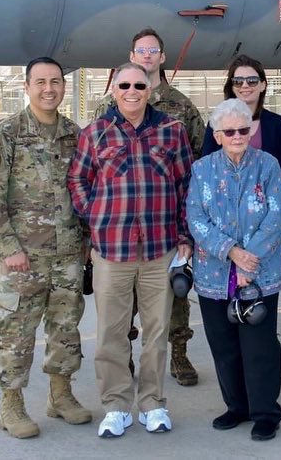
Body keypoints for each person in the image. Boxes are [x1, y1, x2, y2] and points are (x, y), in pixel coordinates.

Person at [68, 62, 194, 438]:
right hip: (112, 251)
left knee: (157, 333)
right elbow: (78, 179)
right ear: (114, 89)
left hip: (160, 249)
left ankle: (153, 403)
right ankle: (116, 406)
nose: (132, 92)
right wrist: (96, 215)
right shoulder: (95, 133)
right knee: (111, 333)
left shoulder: (172, 130)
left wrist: (185, 236)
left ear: (149, 89)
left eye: (139, 85)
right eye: (124, 85)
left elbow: (186, 185)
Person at [0, 56, 91, 438]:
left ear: (64, 86)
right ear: (26, 87)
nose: (48, 89)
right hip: (23, 256)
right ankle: (10, 405)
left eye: (55, 81)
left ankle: (61, 395)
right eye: (40, 82)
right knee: (16, 331)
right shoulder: (7, 133)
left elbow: (85, 192)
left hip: (68, 253)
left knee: (66, 328)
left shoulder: (75, 135)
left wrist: (86, 242)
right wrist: (9, 247)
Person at [94, 28, 206, 387]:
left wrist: (187, 225)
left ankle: (179, 353)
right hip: (120, 229)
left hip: (164, 226)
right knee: (121, 300)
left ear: (162, 57)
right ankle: (125, 357)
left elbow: (196, 163)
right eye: (140, 50)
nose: (146, 55)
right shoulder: (107, 106)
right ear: (131, 56)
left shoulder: (181, 106)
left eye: (153, 50)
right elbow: (91, 168)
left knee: (174, 294)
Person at [188, 99, 281, 442]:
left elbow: (276, 214)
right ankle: (237, 406)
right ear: (217, 135)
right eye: (228, 131)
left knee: (260, 346)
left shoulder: (268, 165)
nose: (236, 136)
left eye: (243, 130)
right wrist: (231, 251)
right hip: (214, 273)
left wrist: (249, 259)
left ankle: (265, 412)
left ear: (251, 131)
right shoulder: (202, 169)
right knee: (224, 345)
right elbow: (195, 218)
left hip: (260, 272)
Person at [203, 54, 281, 187]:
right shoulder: (216, 123)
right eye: (238, 81)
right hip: (223, 197)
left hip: (266, 196)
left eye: (252, 80)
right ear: (232, 86)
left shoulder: (277, 124)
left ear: (263, 85)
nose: (245, 85)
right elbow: (207, 167)